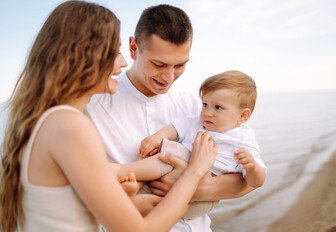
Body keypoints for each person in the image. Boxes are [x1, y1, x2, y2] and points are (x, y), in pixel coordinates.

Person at [0, 0, 218, 232]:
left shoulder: (52, 121)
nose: (122, 62)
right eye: (114, 53)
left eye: (179, 65)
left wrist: (129, 197)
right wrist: (194, 172)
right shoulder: (70, 124)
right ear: (83, 57)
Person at [85, 4, 254, 231]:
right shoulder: (92, 105)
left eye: (180, 65)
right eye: (159, 64)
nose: (168, 76)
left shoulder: (198, 107)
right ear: (133, 49)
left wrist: (196, 186)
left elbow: (247, 178)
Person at [112, 70, 267, 219]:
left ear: (243, 115)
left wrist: (252, 168)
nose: (208, 112)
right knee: (156, 149)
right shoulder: (197, 122)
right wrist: (158, 137)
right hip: (174, 198)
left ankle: (119, 171)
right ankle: (136, 187)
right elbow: (175, 128)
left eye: (218, 107)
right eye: (205, 104)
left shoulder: (243, 140)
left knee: (173, 153)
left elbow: (256, 182)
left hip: (201, 197)